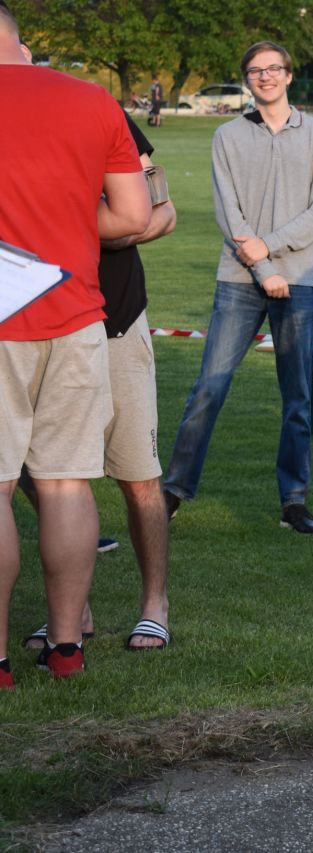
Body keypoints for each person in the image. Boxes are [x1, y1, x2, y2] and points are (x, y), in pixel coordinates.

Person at [0, 2, 151, 685]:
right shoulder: (92, 100)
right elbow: (133, 214)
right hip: (77, 314)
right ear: (20, 42)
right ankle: (66, 648)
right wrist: (63, 216)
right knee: (65, 484)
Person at [162, 41, 313, 533]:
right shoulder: (227, 135)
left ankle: (294, 502)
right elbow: (228, 213)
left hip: (299, 278)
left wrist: (270, 248)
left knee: (298, 396)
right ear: (247, 79)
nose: (266, 76)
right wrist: (262, 267)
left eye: (273, 68)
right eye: (256, 70)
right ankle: (173, 491)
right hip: (239, 279)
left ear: (289, 75)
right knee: (209, 387)